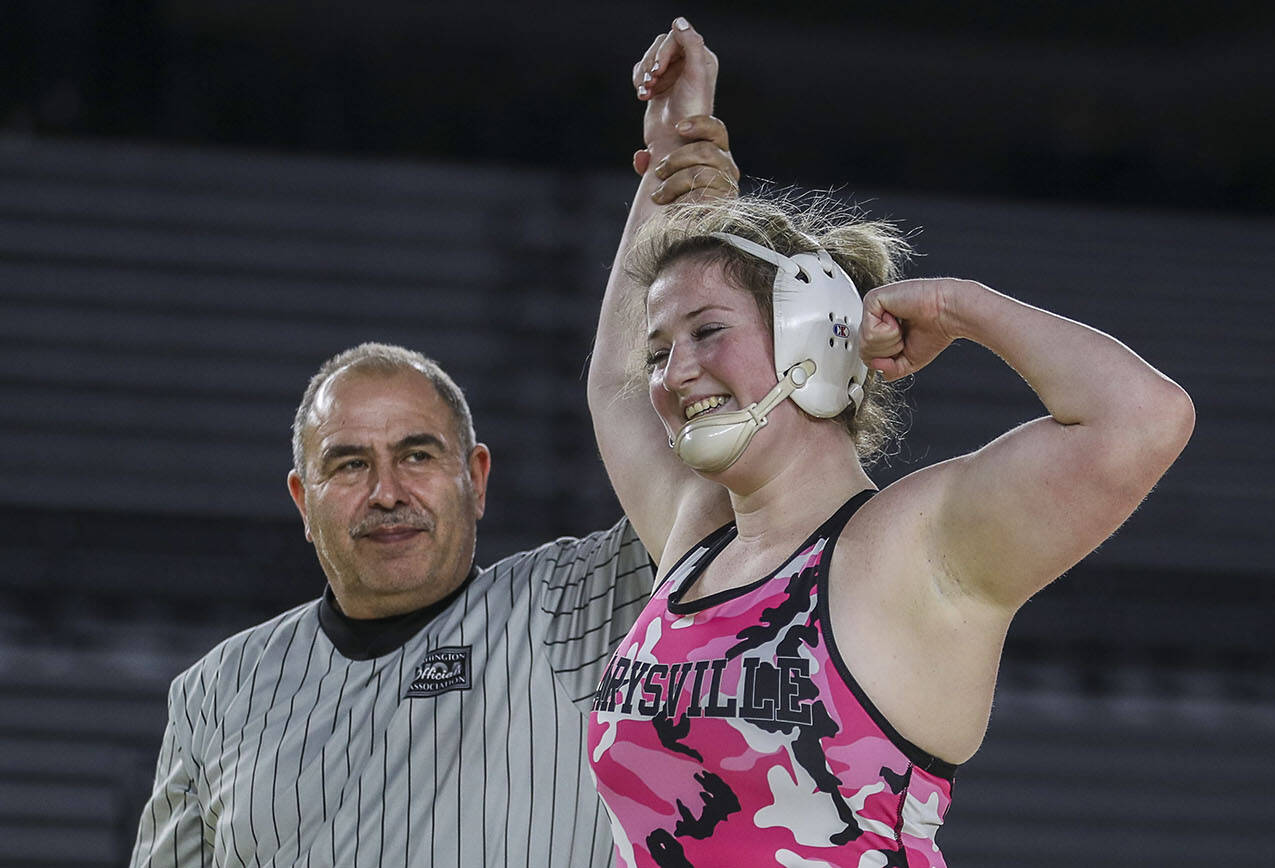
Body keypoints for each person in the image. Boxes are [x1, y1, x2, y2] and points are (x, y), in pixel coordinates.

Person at [585, 19, 1196, 868]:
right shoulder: (695, 539)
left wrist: (959, 307)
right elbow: (614, 385)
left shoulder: (916, 544)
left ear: (812, 338)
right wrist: (668, 168)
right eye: (662, 349)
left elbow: (1145, 417)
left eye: (707, 331)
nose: (674, 372)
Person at [127, 42, 739, 868]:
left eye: (417, 455)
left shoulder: (584, 606)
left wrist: (679, 183)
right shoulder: (215, 695)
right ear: (303, 502)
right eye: (348, 464)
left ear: (476, 478)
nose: (387, 491)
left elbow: (676, 421)